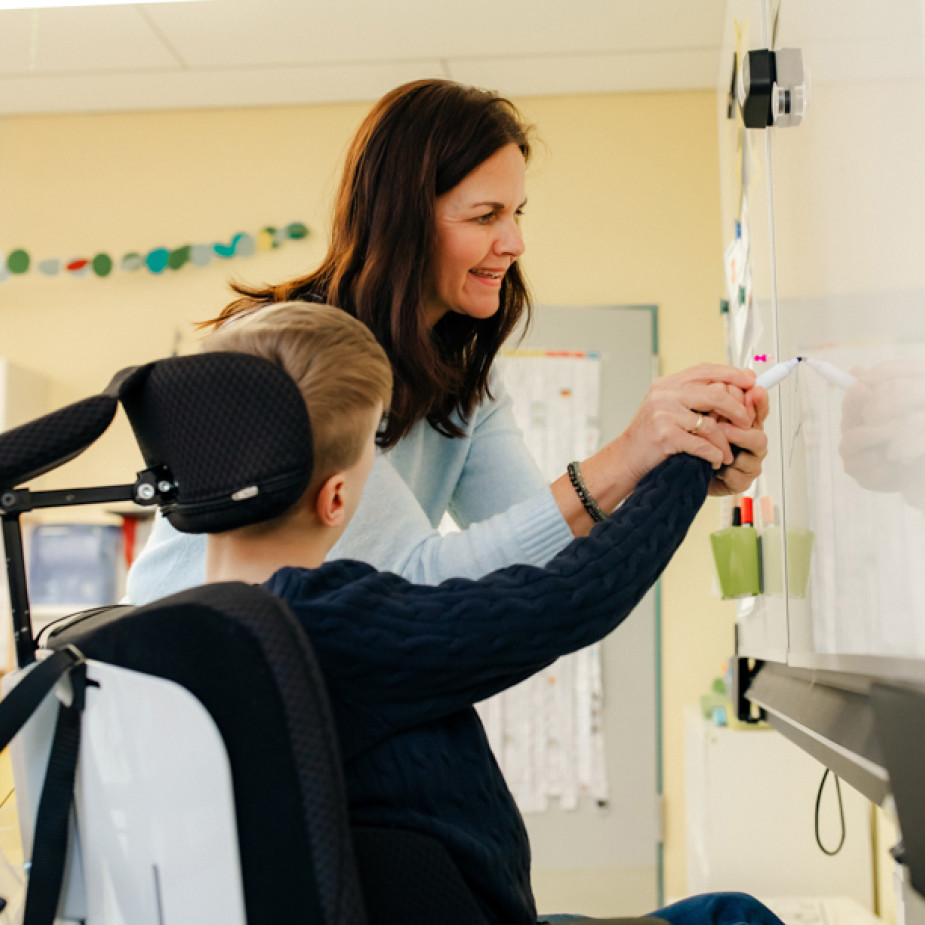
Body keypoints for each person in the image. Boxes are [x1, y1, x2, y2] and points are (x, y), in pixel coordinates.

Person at [199, 301, 783, 925]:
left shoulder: (200, 629)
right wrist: (689, 456)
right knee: (734, 917)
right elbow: (574, 596)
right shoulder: (328, 625)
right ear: (338, 497)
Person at [126, 77, 768, 605]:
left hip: (285, 682)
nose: (514, 243)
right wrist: (630, 454)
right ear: (401, 222)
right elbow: (415, 572)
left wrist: (673, 466)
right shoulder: (293, 357)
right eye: (486, 216)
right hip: (180, 685)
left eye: (517, 214)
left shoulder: (460, 375)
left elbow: (539, 547)